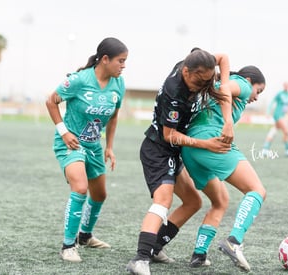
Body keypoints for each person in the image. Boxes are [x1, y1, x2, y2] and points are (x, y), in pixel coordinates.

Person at [126, 48, 234, 275]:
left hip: (174, 152)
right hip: (158, 149)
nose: (203, 85)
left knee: (193, 201)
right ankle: (140, 258)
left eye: (208, 80)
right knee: (163, 199)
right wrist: (207, 144)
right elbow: (170, 136)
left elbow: (222, 57)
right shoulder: (174, 92)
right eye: (199, 80)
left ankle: (155, 247)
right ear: (186, 71)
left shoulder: (196, 66)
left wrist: (223, 91)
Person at [45, 37, 128, 262]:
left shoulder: (119, 84)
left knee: (100, 194)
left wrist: (109, 146)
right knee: (80, 188)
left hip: (93, 146)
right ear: (104, 59)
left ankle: (85, 236)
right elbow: (51, 101)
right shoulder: (80, 80)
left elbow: (113, 116)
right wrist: (64, 132)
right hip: (70, 143)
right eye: (120, 61)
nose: (123, 65)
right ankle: (68, 246)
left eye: (125, 61)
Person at [181, 65, 266, 272]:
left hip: (191, 148)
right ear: (249, 80)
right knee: (257, 190)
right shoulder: (243, 85)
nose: (256, 97)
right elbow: (228, 88)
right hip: (212, 141)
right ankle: (234, 241)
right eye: (259, 90)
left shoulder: (216, 84)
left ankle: (199, 254)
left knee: (220, 201)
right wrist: (228, 121)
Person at [262, 81, 288, 157]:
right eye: (285, 85)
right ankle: (287, 150)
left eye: (287, 85)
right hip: (277, 115)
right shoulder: (279, 94)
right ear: (283, 86)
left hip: (282, 115)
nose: (286, 86)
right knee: (286, 131)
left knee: (274, 131)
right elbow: (272, 102)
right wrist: (268, 112)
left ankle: (265, 149)